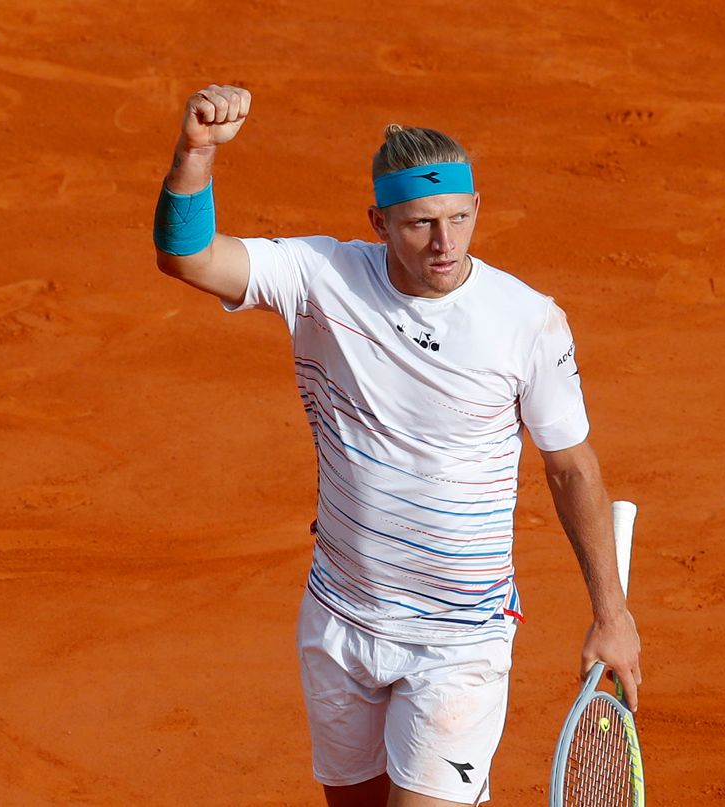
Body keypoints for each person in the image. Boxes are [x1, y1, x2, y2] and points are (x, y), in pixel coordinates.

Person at [154, 84, 641, 807]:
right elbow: (187, 257)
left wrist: (611, 613)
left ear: (477, 210)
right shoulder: (321, 279)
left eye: (457, 219)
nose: (444, 244)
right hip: (341, 620)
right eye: (419, 224)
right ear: (378, 221)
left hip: (459, 640)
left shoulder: (526, 322)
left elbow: (571, 468)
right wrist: (195, 154)